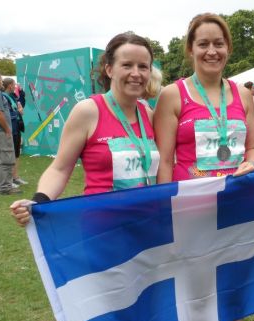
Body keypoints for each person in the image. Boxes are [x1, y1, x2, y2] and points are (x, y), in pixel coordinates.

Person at [153, 13, 254, 321]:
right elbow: (165, 160)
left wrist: (251, 163)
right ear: (191, 49)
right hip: (191, 212)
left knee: (232, 295)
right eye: (203, 44)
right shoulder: (173, 95)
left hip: (235, 207)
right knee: (195, 297)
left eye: (218, 43)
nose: (211, 51)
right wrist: (164, 210)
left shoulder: (243, 94)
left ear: (228, 47)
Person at [10, 32, 159, 225]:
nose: (136, 73)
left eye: (143, 66)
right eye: (127, 65)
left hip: (147, 224)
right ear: (109, 69)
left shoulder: (149, 114)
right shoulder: (88, 111)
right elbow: (60, 169)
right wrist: (38, 202)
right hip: (104, 229)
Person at [0, 69, 21, 194]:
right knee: (6, 159)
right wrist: (7, 129)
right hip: (0, 131)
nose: (1, 81)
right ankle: (5, 188)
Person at [2, 78, 28, 186]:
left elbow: (20, 103)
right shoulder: (3, 97)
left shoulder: (13, 96)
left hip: (16, 128)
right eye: (14, 84)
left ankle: (15, 177)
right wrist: (19, 111)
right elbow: (7, 113)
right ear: (10, 86)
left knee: (16, 153)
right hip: (10, 129)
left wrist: (21, 92)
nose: (15, 86)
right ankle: (9, 180)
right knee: (9, 155)